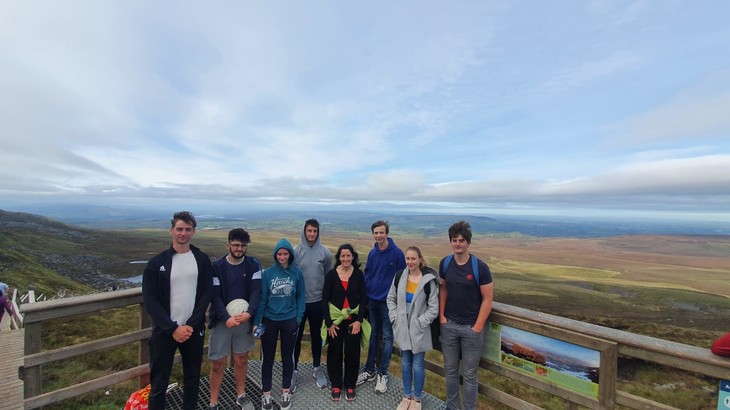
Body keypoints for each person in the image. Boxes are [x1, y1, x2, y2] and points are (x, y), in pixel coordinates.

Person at [142, 211, 214, 410]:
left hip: (193, 330)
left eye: (188, 229)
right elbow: (150, 300)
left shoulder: (201, 260)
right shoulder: (156, 264)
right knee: (159, 382)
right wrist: (172, 328)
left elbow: (207, 293)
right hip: (165, 331)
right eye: (179, 229)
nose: (183, 233)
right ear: (171, 230)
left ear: (193, 232)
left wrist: (190, 325)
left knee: (192, 379)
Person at [439, 221, 493, 410]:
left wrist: (477, 327)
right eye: (455, 240)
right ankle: (452, 407)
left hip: (471, 328)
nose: (458, 244)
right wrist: (442, 318)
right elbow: (443, 289)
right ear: (451, 242)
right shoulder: (445, 263)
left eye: (462, 240)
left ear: (468, 243)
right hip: (449, 326)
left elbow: (487, 299)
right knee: (450, 371)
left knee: (470, 375)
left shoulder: (480, 268)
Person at [207, 228, 262, 410]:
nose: (239, 249)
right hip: (222, 320)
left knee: (241, 358)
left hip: (244, 318)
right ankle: (213, 402)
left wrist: (250, 313)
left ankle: (241, 394)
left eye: (243, 246)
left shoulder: (253, 265)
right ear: (228, 245)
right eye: (236, 245)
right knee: (218, 362)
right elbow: (214, 295)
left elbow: (256, 290)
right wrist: (225, 317)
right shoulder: (217, 267)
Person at [253, 238, 305, 410]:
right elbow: (262, 300)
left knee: (287, 358)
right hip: (269, 320)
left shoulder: (297, 273)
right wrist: (257, 321)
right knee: (267, 359)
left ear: (290, 254)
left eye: (285, 253)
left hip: (289, 320)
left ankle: (285, 391)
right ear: (276, 255)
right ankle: (266, 394)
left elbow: (301, 298)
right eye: (279, 254)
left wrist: (297, 319)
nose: (282, 257)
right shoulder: (267, 274)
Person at [387, 246, 439, 410]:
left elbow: (433, 308)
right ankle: (406, 397)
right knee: (405, 363)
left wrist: (420, 323)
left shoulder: (428, 281)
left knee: (417, 365)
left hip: (418, 330)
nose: (410, 262)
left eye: (413, 259)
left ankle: (417, 400)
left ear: (420, 260)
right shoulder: (399, 276)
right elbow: (391, 298)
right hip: (402, 328)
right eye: (407, 259)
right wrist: (395, 317)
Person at [358, 220, 406, 393]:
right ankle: (369, 370)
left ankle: (382, 373)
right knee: (373, 335)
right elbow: (368, 273)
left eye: (381, 232)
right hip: (372, 300)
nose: (378, 236)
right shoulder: (373, 253)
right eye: (376, 233)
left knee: (387, 337)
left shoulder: (397, 254)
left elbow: (402, 277)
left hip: (388, 303)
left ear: (387, 233)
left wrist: (396, 300)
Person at [322, 244, 368, 402]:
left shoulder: (358, 275)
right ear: (339, 258)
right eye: (343, 256)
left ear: (353, 257)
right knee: (334, 353)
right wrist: (329, 323)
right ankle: (336, 384)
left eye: (349, 256)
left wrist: (359, 321)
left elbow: (364, 300)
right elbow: (324, 300)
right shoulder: (331, 275)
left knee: (352, 354)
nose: (346, 259)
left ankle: (350, 385)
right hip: (335, 322)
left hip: (353, 322)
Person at [293, 218, 333, 390]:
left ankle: (317, 368)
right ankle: (293, 371)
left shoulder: (325, 253)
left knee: (318, 337)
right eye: (309, 231)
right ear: (304, 231)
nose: (311, 234)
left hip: (318, 303)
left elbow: (328, 278)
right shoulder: (295, 251)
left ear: (318, 232)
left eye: (314, 231)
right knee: (296, 338)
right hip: (299, 303)